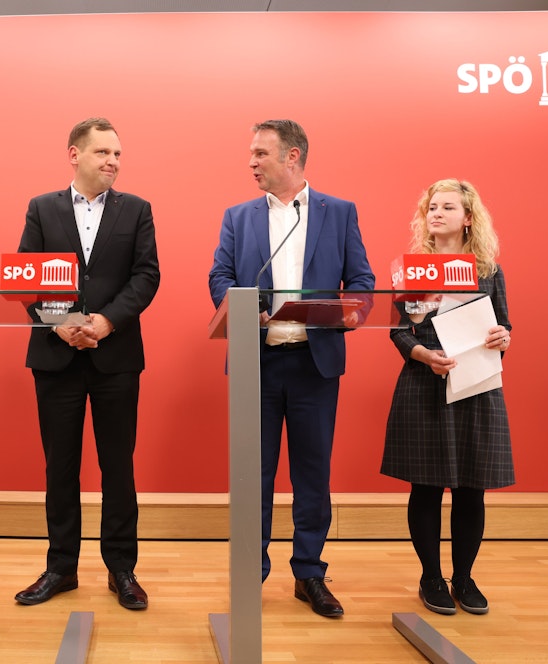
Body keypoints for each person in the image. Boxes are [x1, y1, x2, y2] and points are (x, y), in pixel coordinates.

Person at [209, 119, 375, 618]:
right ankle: (250, 574)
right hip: (256, 363)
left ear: (292, 156)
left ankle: (309, 574)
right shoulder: (238, 217)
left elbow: (362, 281)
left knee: (312, 474)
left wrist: (350, 313)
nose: (252, 162)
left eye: (261, 153)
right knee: (252, 477)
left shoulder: (338, 212)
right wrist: (242, 308)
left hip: (314, 365)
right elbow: (220, 275)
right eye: (252, 154)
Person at [14, 118, 160, 610]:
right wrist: (61, 324)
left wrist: (105, 321)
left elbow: (146, 276)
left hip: (116, 357)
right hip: (56, 356)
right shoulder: (42, 208)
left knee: (118, 466)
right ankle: (61, 568)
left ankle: (122, 569)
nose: (113, 161)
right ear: (74, 155)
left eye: (117, 154)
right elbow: (25, 278)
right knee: (60, 467)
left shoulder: (137, 209)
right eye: (103, 152)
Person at [381, 178, 514, 616]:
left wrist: (502, 337)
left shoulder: (488, 271)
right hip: (425, 383)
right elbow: (399, 331)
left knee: (472, 488)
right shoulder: (412, 270)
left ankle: (464, 578)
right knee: (426, 486)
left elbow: (504, 327)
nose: (436, 214)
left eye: (448, 207)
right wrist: (423, 355)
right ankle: (431, 578)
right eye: (432, 207)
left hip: (476, 386)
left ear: (468, 218)